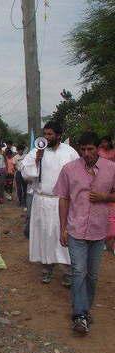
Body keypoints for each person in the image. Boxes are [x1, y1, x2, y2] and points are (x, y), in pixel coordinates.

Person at [53, 131, 115, 334]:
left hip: (99, 231)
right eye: (83, 149)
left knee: (93, 275)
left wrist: (105, 197)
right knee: (79, 271)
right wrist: (62, 228)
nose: (86, 153)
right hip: (75, 229)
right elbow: (63, 198)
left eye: (90, 149)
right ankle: (79, 314)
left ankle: (85, 310)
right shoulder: (69, 169)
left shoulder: (111, 168)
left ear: (98, 148)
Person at [21, 121, 79, 285]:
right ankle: (47, 269)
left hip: (62, 201)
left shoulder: (70, 152)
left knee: (63, 235)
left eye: (50, 134)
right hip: (42, 200)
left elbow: (77, 176)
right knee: (44, 235)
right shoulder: (36, 151)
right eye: (45, 134)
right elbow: (25, 173)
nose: (46, 137)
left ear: (59, 135)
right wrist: (36, 161)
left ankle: (68, 271)